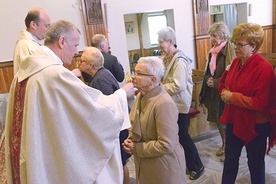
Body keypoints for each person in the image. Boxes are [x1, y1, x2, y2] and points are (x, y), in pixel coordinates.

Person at [5, 20, 135, 184]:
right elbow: (93, 109)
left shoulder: (25, 71)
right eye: (75, 46)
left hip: (33, 150)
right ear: (62, 41)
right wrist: (122, 95)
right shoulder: (53, 74)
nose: (75, 53)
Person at [219, 23, 276, 184]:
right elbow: (223, 82)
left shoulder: (264, 68)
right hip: (235, 119)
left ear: (253, 46)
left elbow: (262, 103)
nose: (235, 47)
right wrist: (223, 92)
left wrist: (233, 97)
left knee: (255, 163)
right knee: (230, 160)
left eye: (240, 44)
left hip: (256, 125)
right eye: (234, 42)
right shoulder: (236, 62)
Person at [122, 56, 186, 184]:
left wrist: (137, 148)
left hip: (163, 167)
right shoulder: (141, 95)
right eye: (134, 72)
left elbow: (166, 144)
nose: (133, 76)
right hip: (147, 162)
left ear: (153, 80)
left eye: (139, 73)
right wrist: (130, 140)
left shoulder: (163, 103)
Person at [157, 27, 204, 180]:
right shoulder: (167, 58)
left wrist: (158, 88)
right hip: (171, 103)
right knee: (176, 136)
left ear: (171, 42)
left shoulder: (180, 60)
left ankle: (198, 165)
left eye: (161, 42)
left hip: (179, 105)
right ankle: (185, 163)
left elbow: (178, 85)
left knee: (183, 136)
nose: (159, 45)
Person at [79, 46, 131, 184]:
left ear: (91, 65)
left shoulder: (100, 79)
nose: (79, 63)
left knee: (121, 162)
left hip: (117, 127)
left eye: (82, 61)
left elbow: (108, 108)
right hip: (118, 125)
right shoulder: (101, 73)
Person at [199, 22, 235, 159]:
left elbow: (231, 74)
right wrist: (208, 79)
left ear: (223, 35)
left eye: (214, 35)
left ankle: (230, 149)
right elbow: (209, 70)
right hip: (215, 92)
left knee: (226, 122)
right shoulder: (213, 51)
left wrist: (217, 82)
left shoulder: (229, 49)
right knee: (219, 121)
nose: (212, 39)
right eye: (210, 36)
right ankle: (224, 144)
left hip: (225, 92)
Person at [13, 7, 51, 75]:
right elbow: (40, 75)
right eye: (46, 26)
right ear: (33, 25)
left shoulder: (30, 43)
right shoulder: (28, 46)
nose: (48, 30)